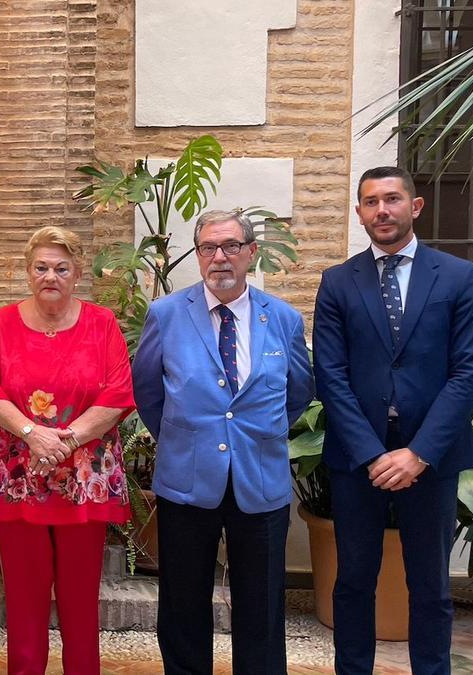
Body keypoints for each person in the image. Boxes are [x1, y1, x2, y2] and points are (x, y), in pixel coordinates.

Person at [313, 166, 473, 674]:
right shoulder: (338, 282)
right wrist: (372, 454)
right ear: (359, 213)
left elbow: (468, 372)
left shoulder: (457, 276)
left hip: (431, 456)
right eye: (371, 202)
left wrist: (419, 453)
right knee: (352, 581)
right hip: (357, 458)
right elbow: (331, 375)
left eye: (391, 199)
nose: (382, 210)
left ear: (415, 206)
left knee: (430, 585)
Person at [131, 209, 313, 675]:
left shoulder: (284, 319)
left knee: (262, 605)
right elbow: (148, 392)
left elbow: (298, 392)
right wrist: (187, 439)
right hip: (187, 480)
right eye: (208, 247)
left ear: (251, 252)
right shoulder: (167, 315)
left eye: (231, 246)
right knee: (183, 602)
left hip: (261, 479)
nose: (219, 257)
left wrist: (257, 434)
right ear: (198, 255)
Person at [0, 226, 133, 675]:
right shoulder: (2, 323)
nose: (50, 276)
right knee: (24, 596)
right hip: (18, 479)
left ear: (78, 273)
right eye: (41, 267)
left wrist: (66, 440)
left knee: (81, 598)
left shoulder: (102, 323)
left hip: (83, 480)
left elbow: (119, 393)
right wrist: (32, 433)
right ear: (27, 272)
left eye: (62, 268)